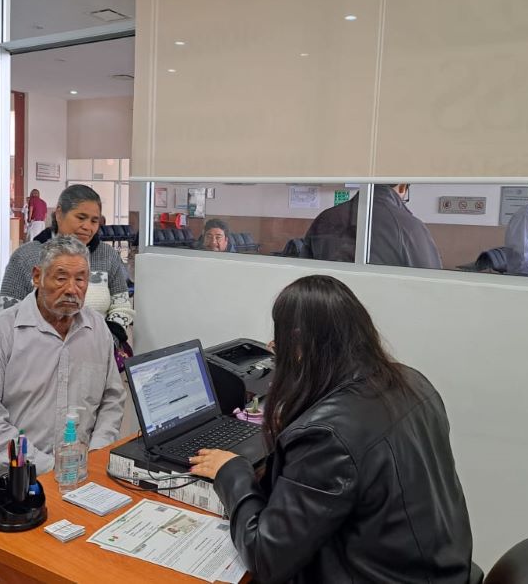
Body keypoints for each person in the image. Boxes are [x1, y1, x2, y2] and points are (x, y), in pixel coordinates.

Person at [189, 275, 476, 584]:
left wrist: (233, 472)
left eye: (278, 340)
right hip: (437, 570)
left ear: (298, 343)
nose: (274, 349)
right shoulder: (413, 382)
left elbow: (265, 557)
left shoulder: (327, 434)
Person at [0, 236, 125, 490]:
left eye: (81, 279)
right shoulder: (0, 333)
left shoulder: (98, 329)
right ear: (37, 276)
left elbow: (112, 398)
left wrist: (96, 454)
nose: (72, 289)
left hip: (86, 470)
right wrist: (48, 468)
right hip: (18, 475)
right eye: (61, 278)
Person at [0, 185, 134, 358]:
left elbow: (122, 306)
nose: (88, 227)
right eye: (80, 217)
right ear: (59, 214)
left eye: (94, 221)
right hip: (39, 359)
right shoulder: (26, 257)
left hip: (97, 353)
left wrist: (107, 339)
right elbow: (8, 316)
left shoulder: (108, 256)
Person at [301, 185, 442, 268]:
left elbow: (304, 273)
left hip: (330, 312)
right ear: (403, 186)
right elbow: (431, 285)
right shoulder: (410, 227)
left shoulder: (325, 218)